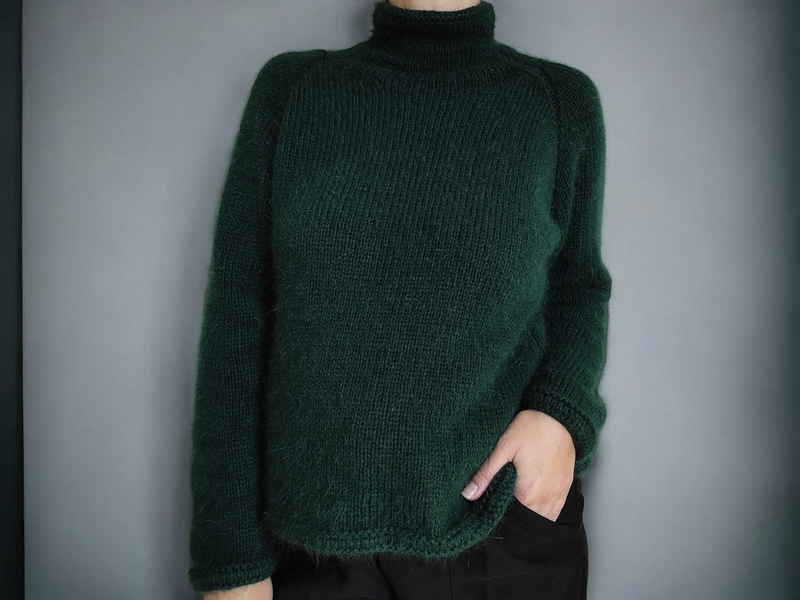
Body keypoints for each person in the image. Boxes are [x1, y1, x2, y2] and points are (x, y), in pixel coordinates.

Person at [187, 0, 612, 599]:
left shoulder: (558, 101)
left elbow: (578, 288)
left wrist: (559, 413)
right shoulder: (295, 89)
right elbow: (238, 318)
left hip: (506, 525)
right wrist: (230, 560)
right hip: (318, 543)